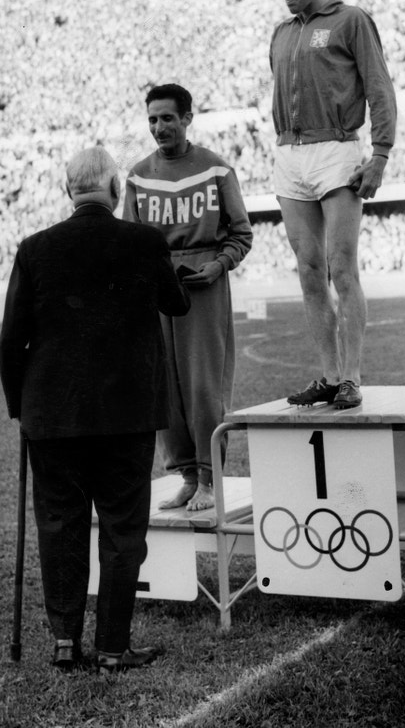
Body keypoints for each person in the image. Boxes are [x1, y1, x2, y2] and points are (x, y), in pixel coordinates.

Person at [0, 147, 190, 673]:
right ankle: (111, 645)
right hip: (125, 414)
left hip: (52, 415)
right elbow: (176, 304)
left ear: (68, 191)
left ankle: (65, 641)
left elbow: (10, 337)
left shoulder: (34, 248)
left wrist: (22, 408)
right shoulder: (144, 240)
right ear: (115, 190)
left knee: (60, 524)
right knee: (122, 528)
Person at [270, 0, 397, 409]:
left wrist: (380, 153)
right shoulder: (281, 33)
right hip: (290, 152)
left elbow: (379, 87)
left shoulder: (351, 20)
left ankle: (351, 377)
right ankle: (327, 374)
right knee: (308, 270)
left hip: (337, 149)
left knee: (341, 266)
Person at [123, 83, 253, 511]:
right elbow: (131, 239)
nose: (159, 127)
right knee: (166, 385)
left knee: (203, 383)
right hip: (157, 287)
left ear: (187, 119)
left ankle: (211, 478)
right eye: (152, 120)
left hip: (204, 285)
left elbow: (241, 234)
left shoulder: (215, 169)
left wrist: (218, 266)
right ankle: (186, 474)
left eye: (167, 118)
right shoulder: (139, 175)